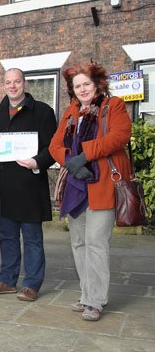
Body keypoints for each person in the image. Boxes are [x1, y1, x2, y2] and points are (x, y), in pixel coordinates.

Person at [49, 62, 132, 321]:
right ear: (72, 90)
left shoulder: (112, 105)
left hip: (102, 184)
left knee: (96, 243)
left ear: (96, 84)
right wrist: (70, 161)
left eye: (86, 84)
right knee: (79, 242)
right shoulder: (72, 111)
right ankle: (87, 295)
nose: (82, 89)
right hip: (76, 185)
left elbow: (120, 136)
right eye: (77, 86)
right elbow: (54, 144)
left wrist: (85, 156)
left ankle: (95, 301)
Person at [0, 68, 57, 302]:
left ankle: (32, 284)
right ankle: (7, 281)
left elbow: (52, 148)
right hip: (6, 186)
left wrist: (37, 162)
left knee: (32, 238)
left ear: (24, 84)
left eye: (16, 82)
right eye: (7, 82)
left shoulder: (43, 112)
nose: (12, 86)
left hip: (31, 184)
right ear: (3, 86)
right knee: (7, 236)